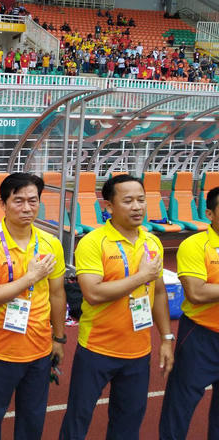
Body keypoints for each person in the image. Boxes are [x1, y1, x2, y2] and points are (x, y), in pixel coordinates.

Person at [59, 174, 174, 440]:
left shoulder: (152, 242)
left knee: (128, 424)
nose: (137, 207)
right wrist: (141, 276)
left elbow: (158, 292)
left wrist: (167, 338)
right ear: (109, 206)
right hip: (97, 349)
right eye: (128, 201)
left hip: (138, 351)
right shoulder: (93, 242)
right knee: (78, 419)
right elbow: (93, 293)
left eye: (141, 200)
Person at [0, 173, 65, 440]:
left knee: (32, 420)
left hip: (39, 350)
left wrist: (59, 338)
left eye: (33, 201)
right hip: (0, 352)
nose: (27, 208)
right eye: (18, 201)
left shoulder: (50, 243)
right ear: (2, 204)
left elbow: (57, 294)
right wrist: (30, 278)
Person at [159, 186, 219, 439]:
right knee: (180, 406)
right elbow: (196, 292)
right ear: (210, 214)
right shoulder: (195, 245)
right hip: (201, 336)